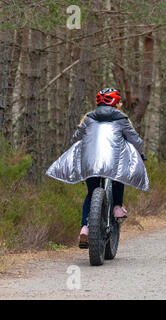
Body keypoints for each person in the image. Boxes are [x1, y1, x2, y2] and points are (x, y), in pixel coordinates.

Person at [46, 88, 149, 248]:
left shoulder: (88, 118)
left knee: (91, 193)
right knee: (118, 176)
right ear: (116, 103)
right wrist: (141, 154)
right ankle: (117, 207)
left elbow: (76, 138)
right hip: (112, 162)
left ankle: (85, 228)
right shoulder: (122, 119)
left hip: (90, 162)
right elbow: (135, 140)